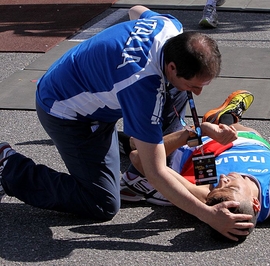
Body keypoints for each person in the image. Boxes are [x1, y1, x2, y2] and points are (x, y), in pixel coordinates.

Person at [0, 5, 255, 241]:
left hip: (91, 83)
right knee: (102, 203)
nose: (198, 93)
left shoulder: (169, 28)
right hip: (69, 112)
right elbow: (153, 172)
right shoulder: (142, 87)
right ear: (173, 66)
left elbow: (136, 10)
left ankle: (148, 141)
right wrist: (208, 215)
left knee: (172, 96)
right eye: (194, 86)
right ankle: (9, 165)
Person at [120, 90, 270, 241]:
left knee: (133, 140)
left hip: (196, 140)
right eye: (231, 186)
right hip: (242, 136)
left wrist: (195, 132)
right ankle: (224, 118)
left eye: (219, 186)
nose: (223, 180)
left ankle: (211, 121)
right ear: (256, 203)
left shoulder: (207, 195)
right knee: (230, 126)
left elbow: (139, 158)